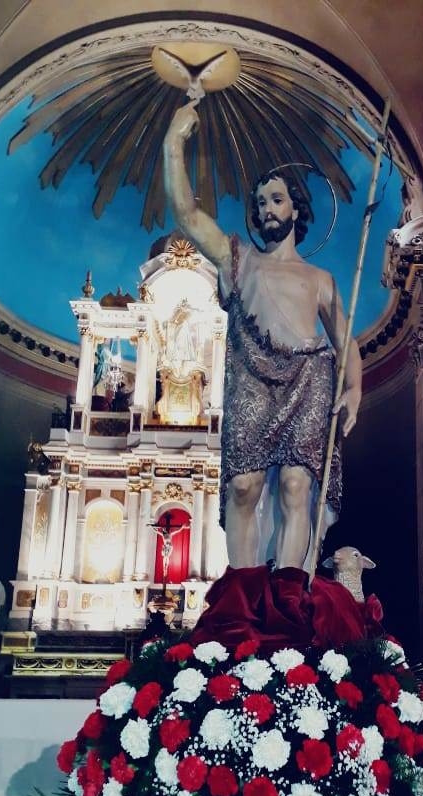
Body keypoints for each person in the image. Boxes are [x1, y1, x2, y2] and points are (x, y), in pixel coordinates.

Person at [164, 104, 361, 571]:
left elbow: (346, 340)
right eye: (260, 204)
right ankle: (244, 588)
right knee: (243, 486)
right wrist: (174, 142)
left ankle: (288, 591)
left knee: (296, 486)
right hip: (250, 378)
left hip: (308, 381)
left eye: (276, 199)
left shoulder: (320, 279)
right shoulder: (238, 259)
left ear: (296, 207)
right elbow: (187, 214)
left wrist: (354, 388)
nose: (267, 209)